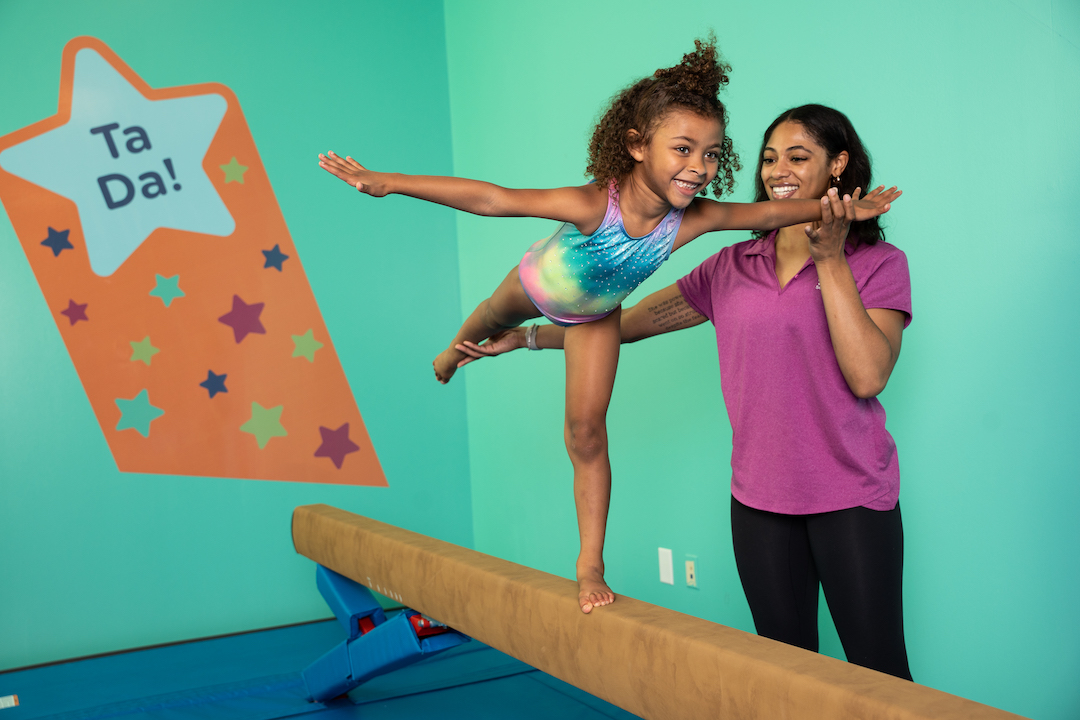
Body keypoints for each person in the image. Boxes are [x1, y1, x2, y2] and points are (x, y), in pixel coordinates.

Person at [319, 40, 900, 617]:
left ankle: (589, 564)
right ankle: (449, 358)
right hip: (538, 284)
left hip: (596, 314)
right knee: (485, 322)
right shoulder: (596, 203)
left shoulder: (694, 221)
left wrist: (844, 209)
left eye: (713, 154)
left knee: (586, 433)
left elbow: (772, 214)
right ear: (636, 145)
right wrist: (390, 181)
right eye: (682, 149)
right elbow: (493, 200)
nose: (699, 167)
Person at [456, 104, 912, 678]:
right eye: (770, 159)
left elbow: (868, 376)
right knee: (787, 676)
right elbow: (626, 322)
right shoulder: (732, 265)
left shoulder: (879, 264)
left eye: (799, 157)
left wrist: (829, 259)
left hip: (850, 497)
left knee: (880, 675)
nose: (778, 171)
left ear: (839, 164)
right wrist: (527, 339)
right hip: (759, 502)